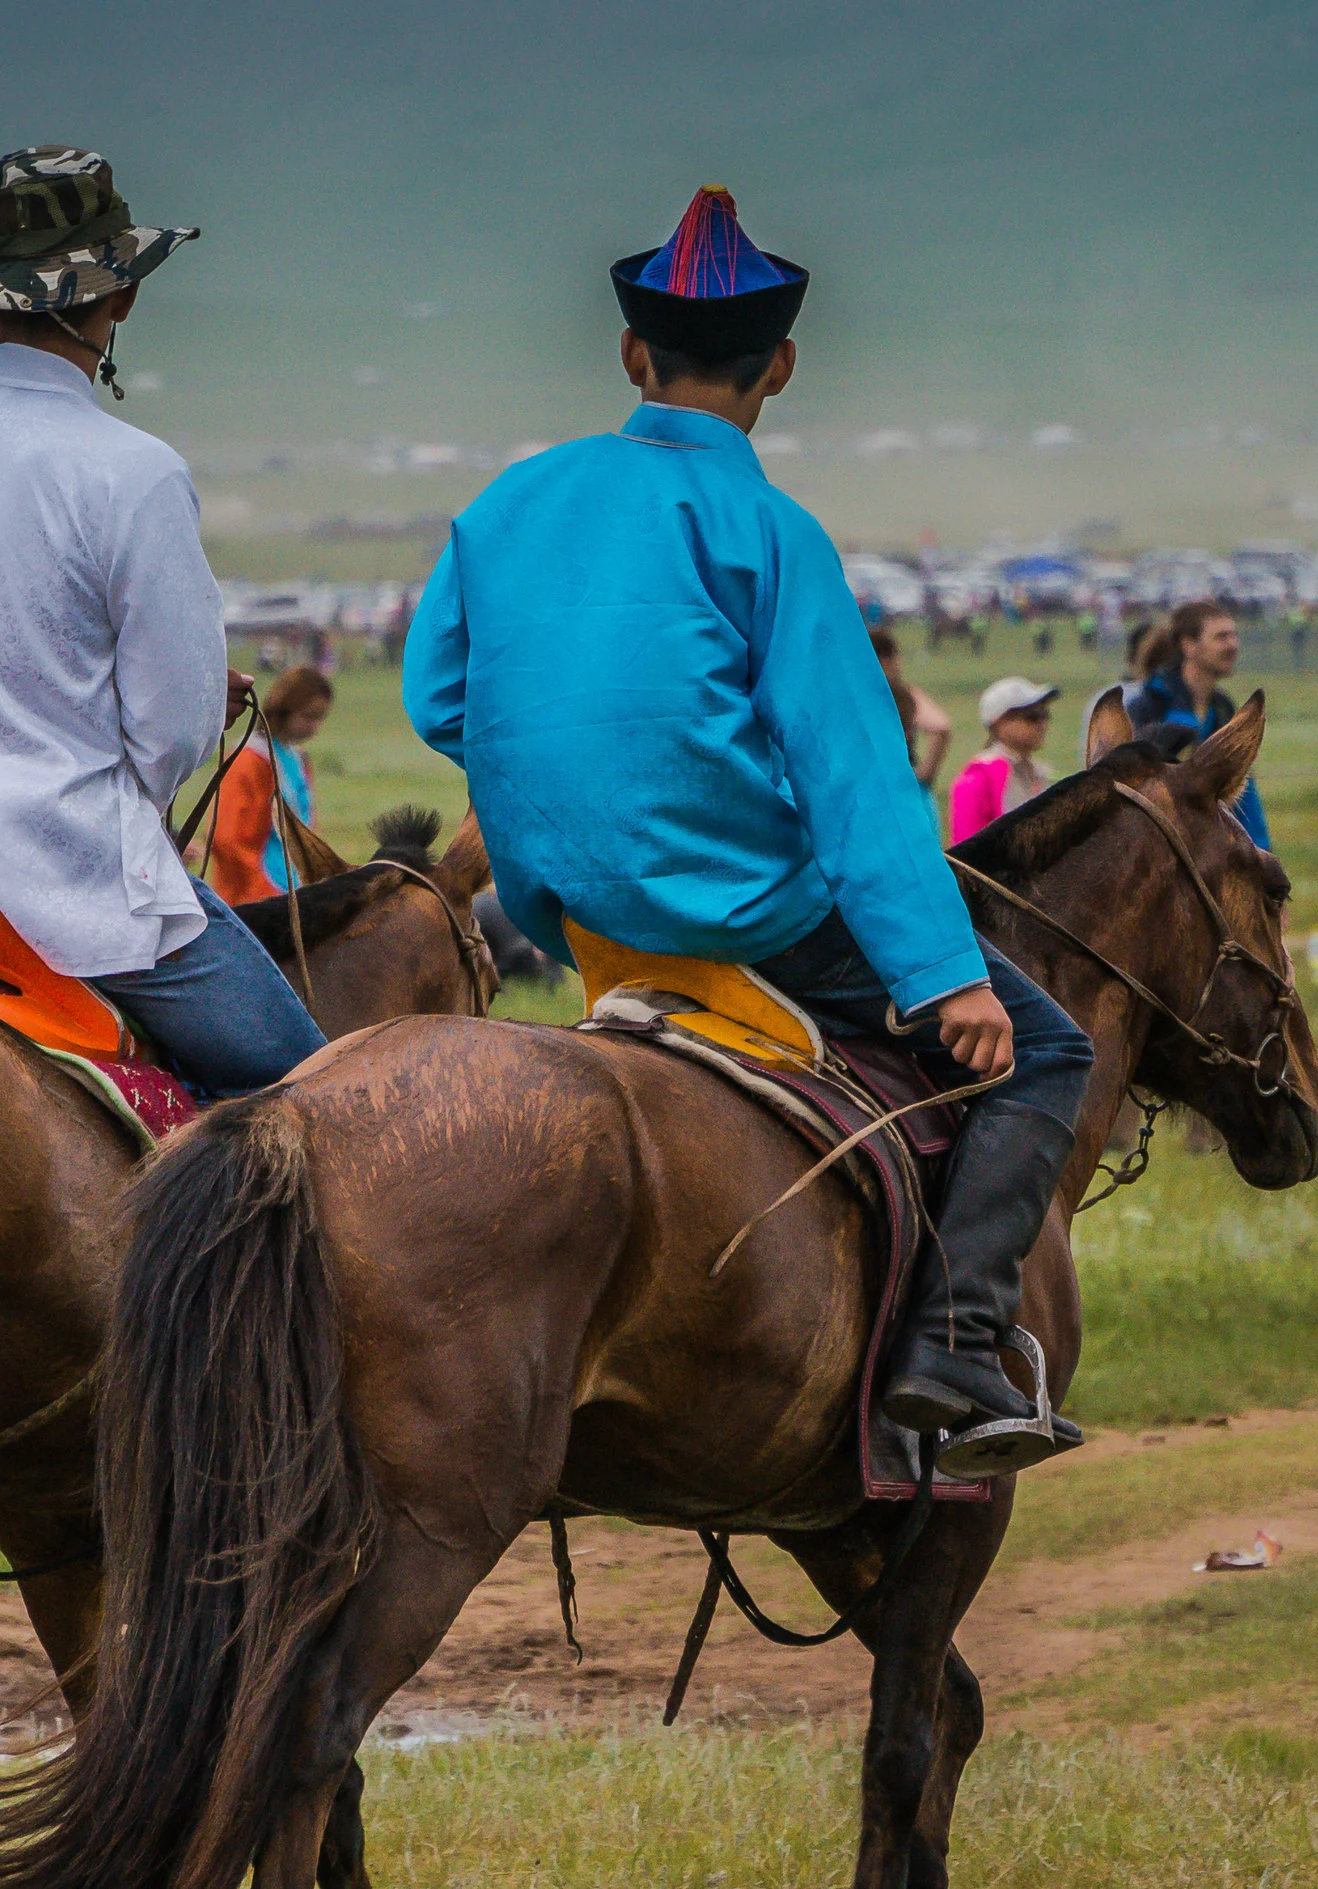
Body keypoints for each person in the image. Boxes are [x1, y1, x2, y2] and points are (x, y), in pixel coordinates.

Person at [402, 186, 1094, 1476]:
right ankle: (954, 1344)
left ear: (630, 355)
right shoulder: (772, 530)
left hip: (584, 921)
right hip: (754, 919)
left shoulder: (508, 503)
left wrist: (574, 782)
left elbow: (438, 693)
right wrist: (946, 976)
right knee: (1048, 1051)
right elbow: (857, 784)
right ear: (778, 365)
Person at [0, 145, 324, 1099]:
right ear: (124, 299)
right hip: (67, 884)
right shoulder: (134, 470)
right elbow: (177, 731)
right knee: (309, 1095)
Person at [1129, 600, 1273, 850]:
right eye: (1221, 637)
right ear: (1188, 645)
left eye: (1234, 635)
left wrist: (1259, 850)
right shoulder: (1148, 706)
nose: (1233, 645)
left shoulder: (1224, 708)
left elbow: (1243, 789)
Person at [206, 665, 333, 904]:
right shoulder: (248, 760)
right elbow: (228, 840)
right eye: (308, 716)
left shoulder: (298, 758)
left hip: (294, 891)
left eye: (320, 718)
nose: (314, 727)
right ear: (285, 709)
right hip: (256, 901)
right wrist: (265, 896)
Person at [948, 677, 1059, 844]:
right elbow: (964, 849)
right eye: (1032, 716)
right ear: (999, 722)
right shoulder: (977, 777)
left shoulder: (1038, 771)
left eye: (1045, 714)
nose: (1042, 723)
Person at [870, 627, 954, 787]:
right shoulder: (900, 693)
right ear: (885, 660)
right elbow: (940, 727)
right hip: (900, 785)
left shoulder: (843, 697)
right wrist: (925, 775)